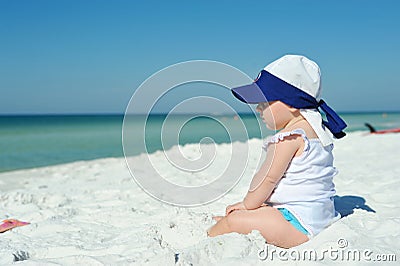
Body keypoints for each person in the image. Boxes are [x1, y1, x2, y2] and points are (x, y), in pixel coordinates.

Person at [207, 55, 347, 248]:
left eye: (264, 103)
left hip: (298, 223)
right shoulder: (318, 130)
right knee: (257, 213)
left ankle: (210, 234)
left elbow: (268, 179)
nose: (258, 109)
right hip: (319, 216)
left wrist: (248, 205)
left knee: (235, 220)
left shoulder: (289, 137)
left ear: (290, 104)